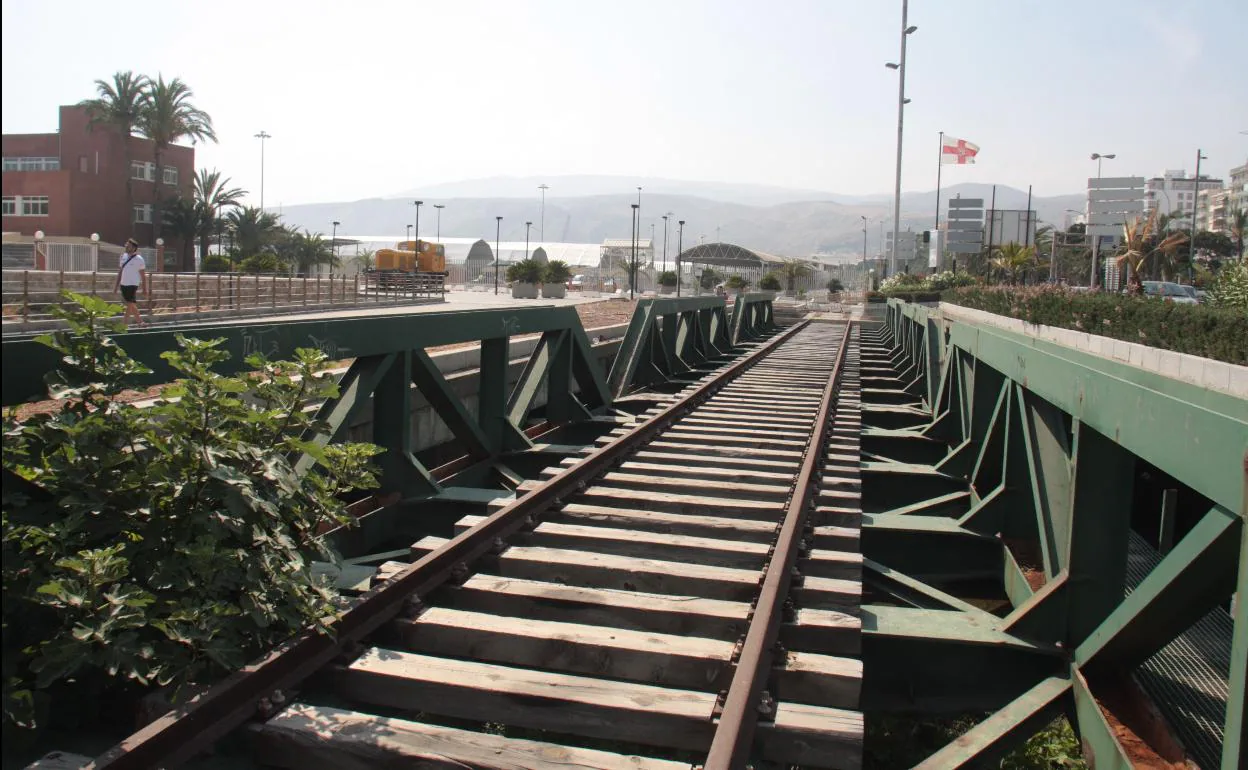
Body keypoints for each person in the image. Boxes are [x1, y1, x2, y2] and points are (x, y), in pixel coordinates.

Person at [114, 238, 149, 327]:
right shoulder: (123, 256)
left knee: (130, 303)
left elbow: (143, 275)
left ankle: (128, 323)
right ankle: (138, 322)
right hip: (123, 284)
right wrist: (116, 286)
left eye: (128, 245)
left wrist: (145, 289)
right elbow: (120, 271)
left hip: (133, 284)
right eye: (126, 244)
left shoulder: (139, 259)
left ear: (133, 248)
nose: (126, 246)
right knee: (131, 304)